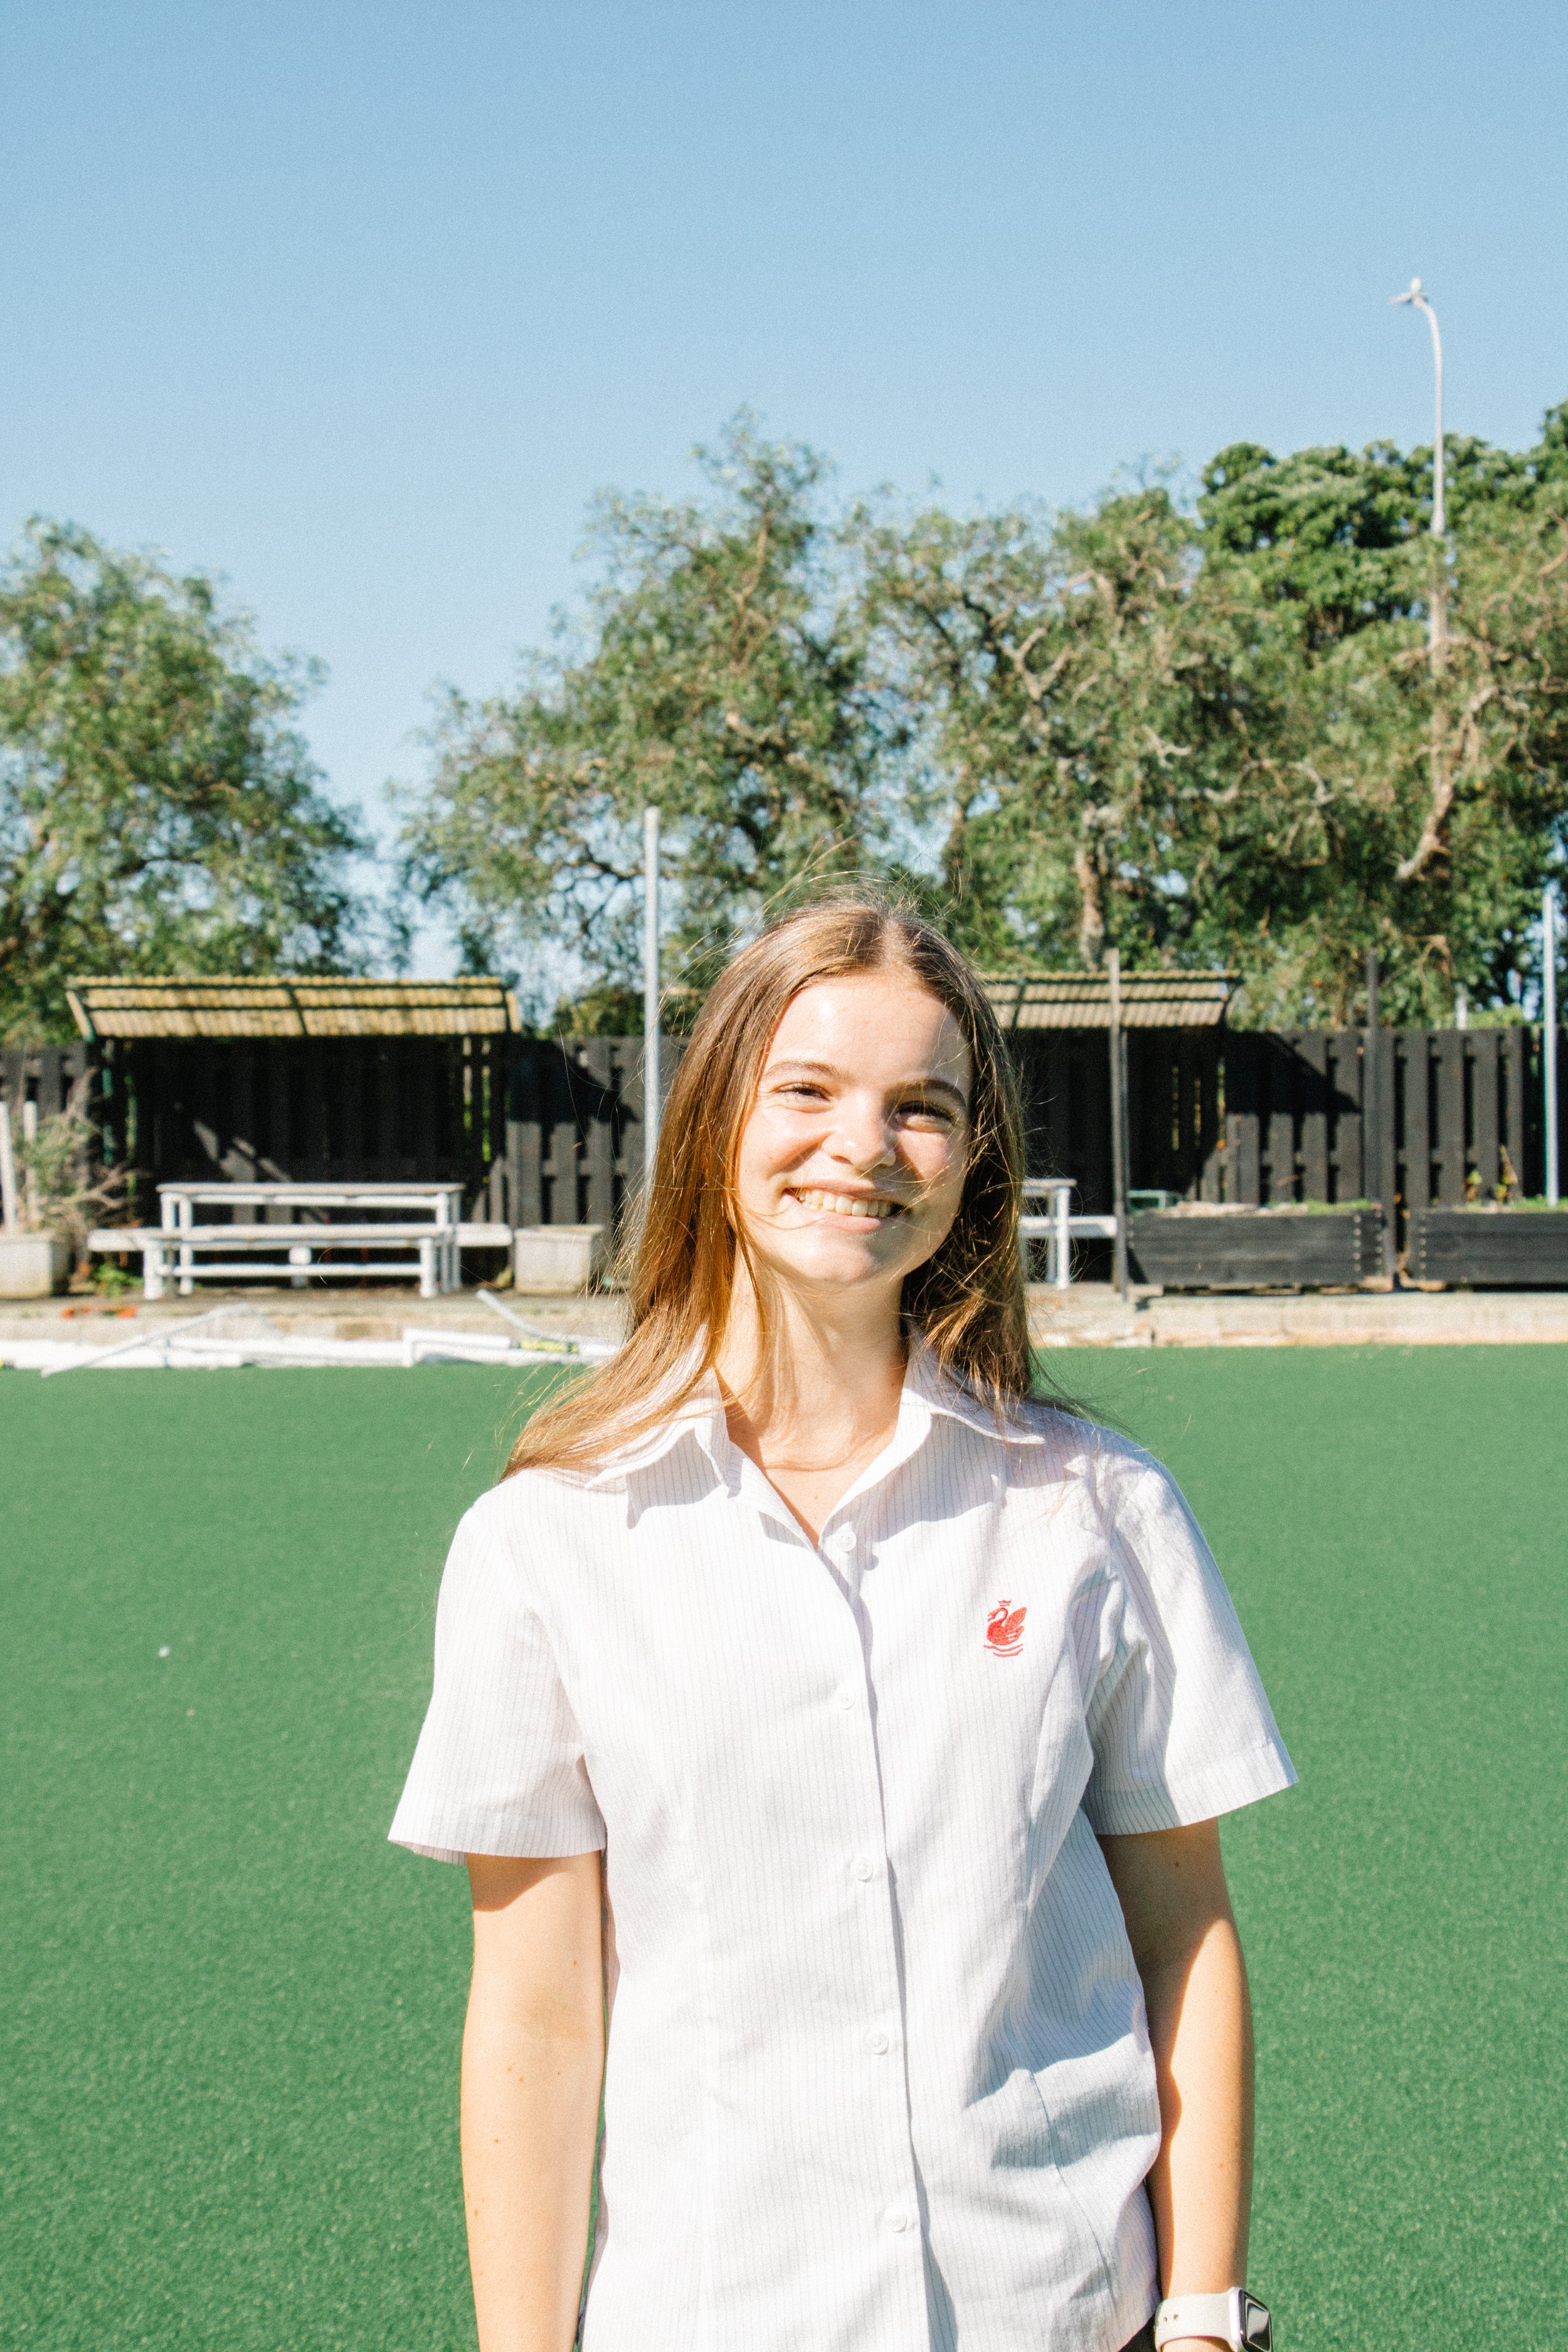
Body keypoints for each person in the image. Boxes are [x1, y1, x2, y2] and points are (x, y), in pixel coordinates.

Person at [391, 900, 1294, 2352]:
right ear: (713, 1123)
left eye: (919, 1109)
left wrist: (1197, 2317)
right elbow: (538, 2020)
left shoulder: (1095, 1510)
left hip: (1058, 2317)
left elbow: (1183, 1934)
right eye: (805, 1090)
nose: (862, 1148)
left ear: (970, 1160)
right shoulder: (543, 1544)